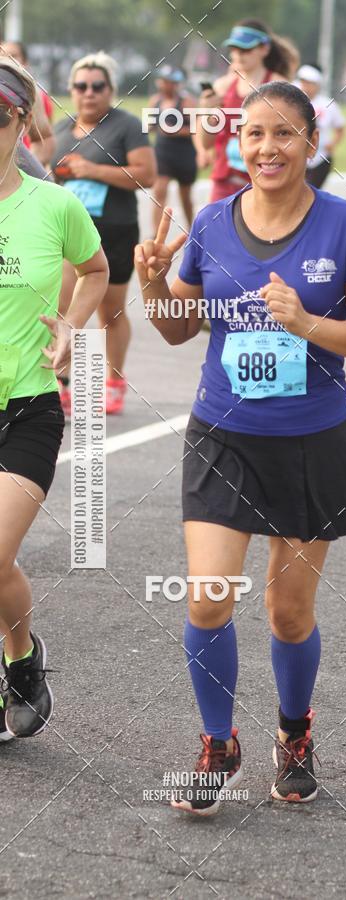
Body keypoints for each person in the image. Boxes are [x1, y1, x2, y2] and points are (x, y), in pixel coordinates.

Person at [136, 82, 346, 815]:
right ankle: (219, 743)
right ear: (235, 143)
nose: (267, 148)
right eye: (252, 134)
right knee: (209, 597)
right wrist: (154, 287)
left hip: (312, 440)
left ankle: (295, 732)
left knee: (287, 614)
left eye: (283, 134)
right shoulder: (212, 221)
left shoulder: (344, 226)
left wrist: (307, 322)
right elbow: (177, 329)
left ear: (312, 142)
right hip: (224, 435)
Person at [0, 57, 108, 742]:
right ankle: (23, 663)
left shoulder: (53, 205)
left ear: (20, 123)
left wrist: (72, 323)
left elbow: (96, 270)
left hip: (29, 410)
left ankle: (19, 668)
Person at [51, 51, 156, 415]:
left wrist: (91, 170)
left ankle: (112, 379)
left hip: (114, 230)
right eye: (81, 86)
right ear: (71, 89)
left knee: (109, 312)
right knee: (63, 308)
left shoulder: (127, 126)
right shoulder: (60, 130)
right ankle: (62, 380)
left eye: (98, 86)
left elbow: (146, 174)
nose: (89, 92)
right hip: (67, 235)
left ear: (111, 89)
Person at [194, 19, 296, 202]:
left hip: (266, 181)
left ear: (264, 49)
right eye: (234, 49)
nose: (238, 55)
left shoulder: (281, 87)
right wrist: (208, 113)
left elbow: (294, 138)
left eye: (246, 49)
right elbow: (206, 143)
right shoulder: (222, 87)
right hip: (224, 183)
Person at [149, 64, 196, 231]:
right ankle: (156, 235)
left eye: (170, 82)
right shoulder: (155, 101)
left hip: (184, 153)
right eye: (164, 81)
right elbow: (151, 125)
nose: (166, 85)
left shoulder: (186, 102)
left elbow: (196, 128)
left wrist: (175, 131)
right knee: (159, 192)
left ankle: (192, 230)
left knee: (185, 196)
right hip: (162, 152)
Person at [0, 39, 55, 165]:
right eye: (2, 56)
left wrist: (21, 170)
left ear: (25, 62)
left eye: (13, 56)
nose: (6, 60)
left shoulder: (34, 94)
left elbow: (44, 137)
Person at [296, 63, 345, 189]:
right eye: (303, 82)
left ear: (317, 85)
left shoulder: (328, 104)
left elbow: (340, 127)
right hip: (298, 156)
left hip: (321, 157)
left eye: (310, 83)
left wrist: (333, 143)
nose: (306, 87)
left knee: (312, 191)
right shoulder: (293, 104)